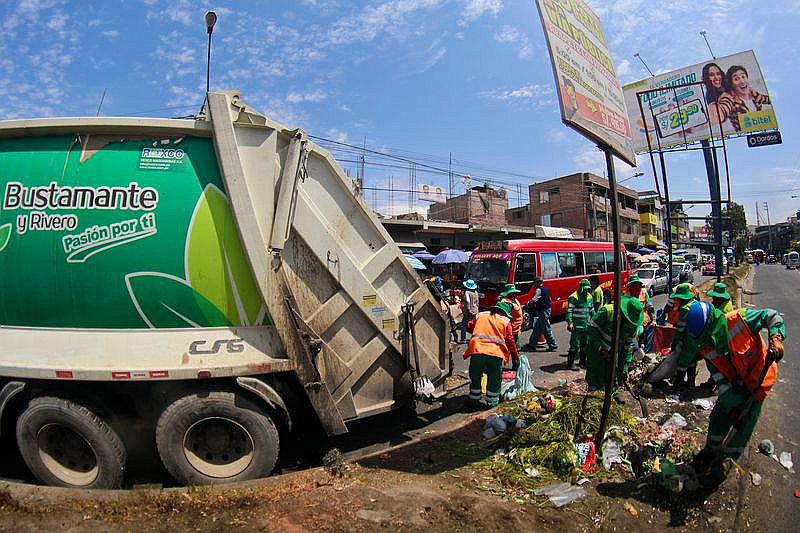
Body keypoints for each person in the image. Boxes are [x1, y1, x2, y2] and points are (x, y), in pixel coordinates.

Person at [685, 302, 785, 488]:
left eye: (706, 336)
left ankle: (724, 466)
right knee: (718, 418)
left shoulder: (740, 319)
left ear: (712, 325)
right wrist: (733, 405)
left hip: (758, 384)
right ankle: (710, 451)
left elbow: (771, 315)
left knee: (742, 428)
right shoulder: (706, 347)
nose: (706, 342)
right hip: (734, 386)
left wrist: (776, 337)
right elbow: (720, 379)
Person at [585, 295, 644, 403]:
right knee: (596, 372)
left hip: (614, 349)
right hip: (597, 347)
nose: (630, 325)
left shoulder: (633, 324)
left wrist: (625, 366)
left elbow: (628, 347)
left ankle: (614, 393)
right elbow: (591, 327)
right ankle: (594, 395)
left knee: (614, 371)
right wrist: (600, 348)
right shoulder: (608, 311)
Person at [463, 302, 520, 408]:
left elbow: (468, 326)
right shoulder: (505, 321)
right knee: (494, 378)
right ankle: (492, 402)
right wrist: (515, 357)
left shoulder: (481, 315)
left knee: (475, 375)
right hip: (495, 354)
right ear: (505, 313)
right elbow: (510, 341)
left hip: (477, 350)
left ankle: (474, 399)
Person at [711, 65, 771, 132]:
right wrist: (717, 112)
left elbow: (768, 99)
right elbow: (724, 108)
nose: (742, 81)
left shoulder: (755, 95)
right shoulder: (730, 99)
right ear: (732, 84)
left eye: (743, 77)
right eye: (736, 79)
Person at [565, 279, 593, 370]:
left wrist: (596, 320)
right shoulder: (574, 297)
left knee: (585, 345)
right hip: (576, 326)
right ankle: (570, 364)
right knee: (574, 345)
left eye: (587, 289)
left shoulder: (589, 297)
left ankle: (582, 362)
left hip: (586, 325)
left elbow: (592, 310)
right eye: (584, 289)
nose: (586, 291)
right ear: (580, 288)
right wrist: (570, 322)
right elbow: (569, 311)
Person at [525, 277, 557, 352]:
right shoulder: (546, 289)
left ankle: (552, 344)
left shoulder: (538, 290)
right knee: (537, 328)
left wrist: (528, 304)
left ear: (538, 283)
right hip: (546, 309)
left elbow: (534, 300)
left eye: (535, 283)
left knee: (546, 328)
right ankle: (532, 344)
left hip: (543, 311)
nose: (534, 285)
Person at [626, 274, 655, 353]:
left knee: (643, 339)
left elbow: (649, 307)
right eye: (633, 285)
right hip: (631, 322)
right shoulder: (626, 294)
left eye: (637, 284)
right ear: (629, 286)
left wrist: (653, 319)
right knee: (632, 343)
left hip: (643, 321)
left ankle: (642, 353)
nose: (635, 287)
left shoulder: (643, 292)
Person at [499, 283, 523, 349]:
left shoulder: (514, 300)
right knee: (510, 348)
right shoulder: (505, 302)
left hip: (516, 329)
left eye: (515, 293)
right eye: (512, 293)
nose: (514, 294)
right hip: (510, 330)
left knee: (516, 347)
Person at [460, 279, 479, 344]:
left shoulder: (467, 292)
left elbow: (467, 301)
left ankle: (463, 339)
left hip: (468, 311)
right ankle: (474, 338)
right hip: (475, 310)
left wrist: (468, 309)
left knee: (463, 325)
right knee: (474, 325)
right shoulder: (476, 292)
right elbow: (477, 302)